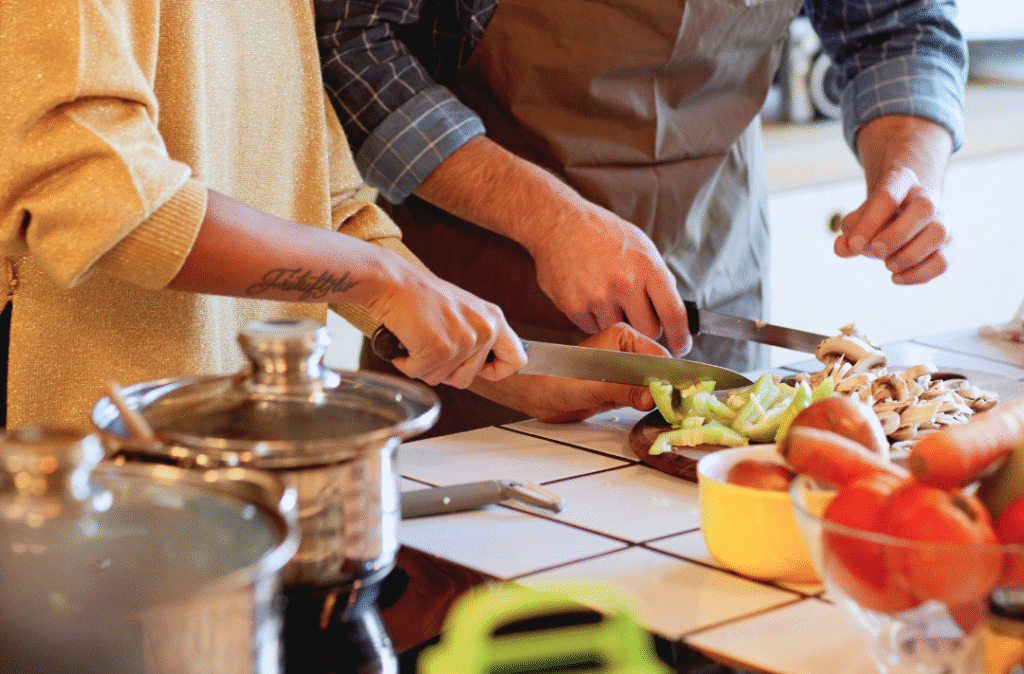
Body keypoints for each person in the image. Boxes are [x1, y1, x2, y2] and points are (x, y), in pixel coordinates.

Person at [0, 0, 667, 431]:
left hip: (221, 447)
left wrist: (520, 370)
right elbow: (104, 201)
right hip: (68, 456)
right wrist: (381, 280)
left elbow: (329, 202)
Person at [315, 0, 968, 435]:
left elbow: (895, 23)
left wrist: (909, 162)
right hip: (480, 296)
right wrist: (549, 221)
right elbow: (347, 43)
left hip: (715, 257)